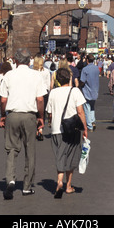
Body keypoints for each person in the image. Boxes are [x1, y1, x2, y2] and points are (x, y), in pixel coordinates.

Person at [0, 48, 46, 200]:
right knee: (29, 150)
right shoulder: (36, 76)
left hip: (12, 114)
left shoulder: (9, 75)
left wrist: (3, 115)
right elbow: (40, 99)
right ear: (29, 60)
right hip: (29, 115)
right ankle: (26, 186)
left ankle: (11, 179)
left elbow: (3, 100)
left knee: (11, 149)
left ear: (16, 61)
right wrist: (41, 117)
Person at [46, 67, 87, 198]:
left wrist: (51, 122)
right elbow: (80, 111)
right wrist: (85, 129)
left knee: (60, 155)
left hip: (56, 130)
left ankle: (59, 181)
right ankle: (68, 185)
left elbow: (50, 113)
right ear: (69, 78)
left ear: (57, 80)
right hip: (72, 129)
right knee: (71, 156)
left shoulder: (53, 93)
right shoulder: (75, 91)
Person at [33, 53, 51, 140]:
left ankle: (35, 129)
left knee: (34, 111)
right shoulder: (46, 71)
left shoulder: (32, 72)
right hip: (44, 93)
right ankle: (40, 130)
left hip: (34, 93)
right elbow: (48, 84)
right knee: (42, 112)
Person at [79, 54, 100, 132]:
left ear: (87, 60)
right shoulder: (96, 68)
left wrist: (79, 87)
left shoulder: (85, 69)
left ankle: (89, 126)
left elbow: (82, 81)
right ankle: (92, 121)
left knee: (87, 108)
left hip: (87, 91)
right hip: (95, 90)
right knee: (92, 107)